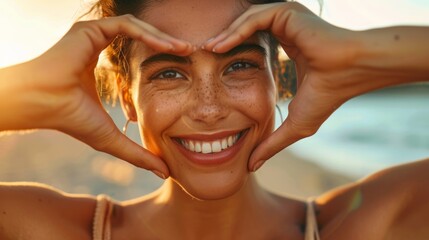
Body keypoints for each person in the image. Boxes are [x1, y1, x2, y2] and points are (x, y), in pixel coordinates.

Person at [0, 0, 428, 239]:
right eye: (169, 73)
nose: (209, 108)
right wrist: (32, 93)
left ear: (277, 79)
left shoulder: (365, 225)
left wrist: (357, 55)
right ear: (127, 100)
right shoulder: (53, 230)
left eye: (239, 66)